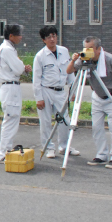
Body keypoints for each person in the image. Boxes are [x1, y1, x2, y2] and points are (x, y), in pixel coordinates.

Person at [67, 36, 112, 169]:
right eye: (85, 48)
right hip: (97, 96)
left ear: (98, 49)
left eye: (90, 48)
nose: (87, 51)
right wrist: (74, 59)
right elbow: (69, 71)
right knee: (96, 127)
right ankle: (101, 155)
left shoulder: (110, 59)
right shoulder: (84, 58)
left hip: (111, 97)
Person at [32, 26, 78, 159]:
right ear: (43, 40)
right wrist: (38, 98)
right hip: (46, 90)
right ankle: (48, 147)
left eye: (54, 36)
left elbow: (69, 71)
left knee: (65, 120)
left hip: (60, 91)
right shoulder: (40, 56)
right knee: (45, 122)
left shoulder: (64, 51)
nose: (52, 39)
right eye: (48, 37)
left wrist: (72, 89)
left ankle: (64, 146)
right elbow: (36, 79)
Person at [0, 24, 32, 162]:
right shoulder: (7, 50)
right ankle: (3, 154)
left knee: (11, 120)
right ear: (11, 36)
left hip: (10, 87)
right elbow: (18, 69)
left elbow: (18, 67)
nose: (21, 37)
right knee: (10, 121)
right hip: (10, 88)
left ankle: (5, 151)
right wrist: (24, 68)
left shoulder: (7, 49)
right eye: (19, 34)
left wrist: (22, 67)